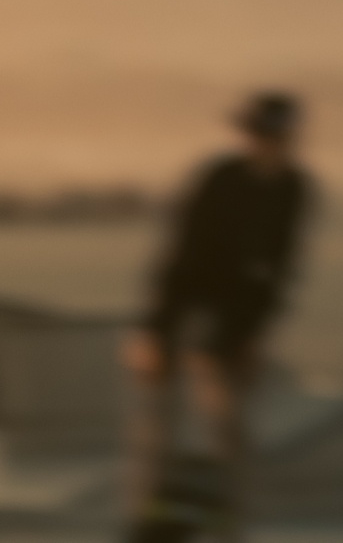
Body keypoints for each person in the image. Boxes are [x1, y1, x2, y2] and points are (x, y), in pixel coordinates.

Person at [125, 91, 314, 537]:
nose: (268, 145)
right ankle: (150, 522)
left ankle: (227, 525)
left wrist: (250, 337)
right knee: (160, 427)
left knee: (230, 430)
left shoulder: (295, 188)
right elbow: (182, 258)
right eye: (260, 135)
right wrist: (155, 333)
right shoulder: (219, 180)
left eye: (277, 137)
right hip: (187, 309)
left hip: (237, 320)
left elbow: (279, 270)